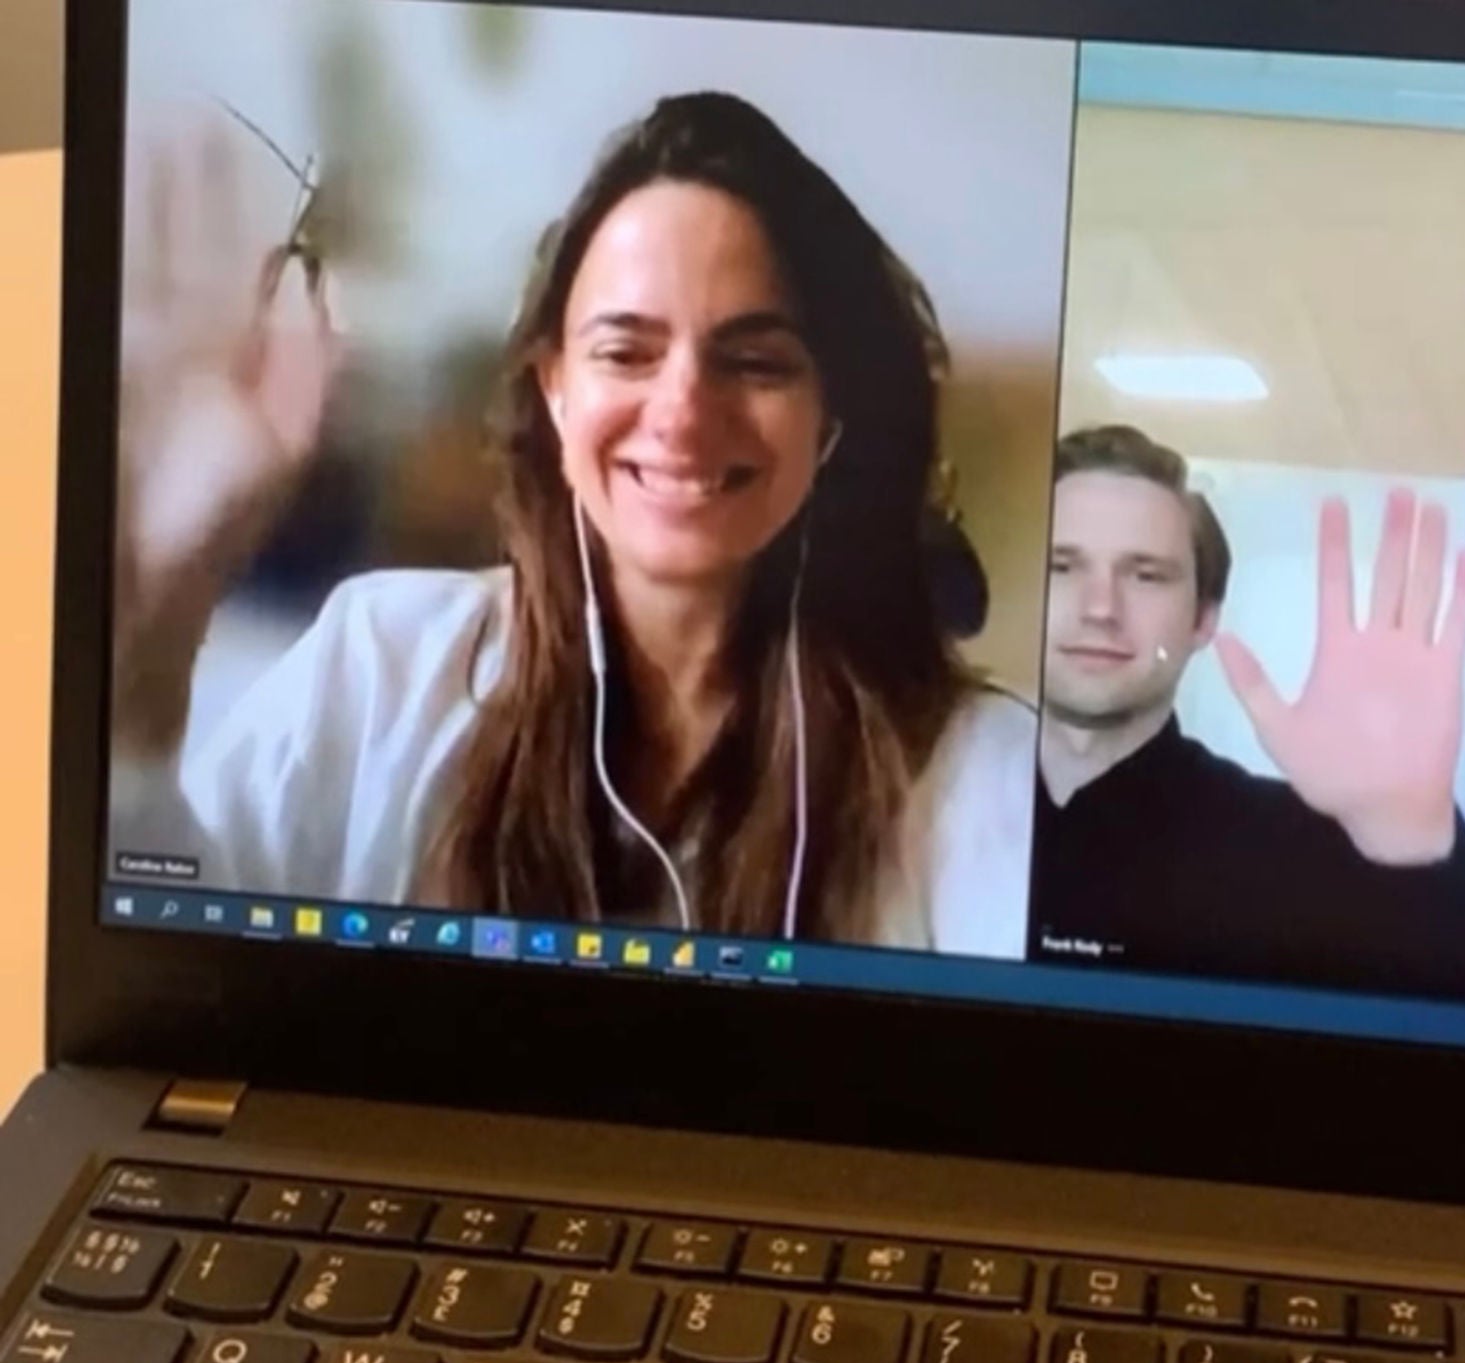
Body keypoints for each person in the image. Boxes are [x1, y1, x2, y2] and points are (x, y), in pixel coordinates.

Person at [108, 93, 1035, 955]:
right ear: (554, 387)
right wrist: (149, 679)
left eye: (754, 361)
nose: (681, 413)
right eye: (626, 352)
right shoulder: (379, 664)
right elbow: (177, 964)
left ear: (831, 414)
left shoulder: (981, 777)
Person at [1029, 426, 1465, 1007]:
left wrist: (1411, 842)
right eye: (1059, 566)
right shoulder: (940, 805)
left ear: (1203, 619)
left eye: (1146, 575)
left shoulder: (1297, 848)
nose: (1100, 608)